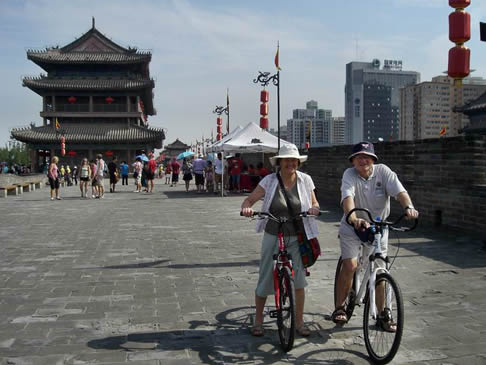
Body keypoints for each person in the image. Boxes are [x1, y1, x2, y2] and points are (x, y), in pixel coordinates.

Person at [333, 142, 419, 330]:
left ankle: (383, 313)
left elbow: (400, 192)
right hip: (353, 225)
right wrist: (353, 218)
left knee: (380, 269)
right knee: (351, 265)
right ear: (353, 161)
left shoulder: (384, 172)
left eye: (367, 157)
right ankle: (340, 306)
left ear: (373, 159)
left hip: (379, 227)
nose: (363, 160)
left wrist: (409, 207)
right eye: (358, 157)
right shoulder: (349, 175)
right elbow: (347, 199)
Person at [240, 144, 320, 337]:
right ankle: (258, 321)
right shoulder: (269, 181)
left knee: (299, 280)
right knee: (266, 275)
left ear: (298, 162)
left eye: (294, 160)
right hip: (274, 233)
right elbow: (249, 200)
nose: (291, 163)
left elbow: (315, 202)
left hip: (298, 233)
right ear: (279, 162)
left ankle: (299, 322)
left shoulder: (306, 180)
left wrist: (314, 209)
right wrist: (247, 208)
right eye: (287, 160)